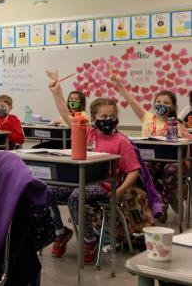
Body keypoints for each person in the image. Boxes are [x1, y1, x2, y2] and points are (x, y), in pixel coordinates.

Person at [47, 69, 141, 264]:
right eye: (103, 116)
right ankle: (60, 232)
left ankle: (90, 241)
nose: (107, 119)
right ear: (93, 118)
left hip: (103, 185)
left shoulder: (122, 141)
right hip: (79, 181)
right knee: (46, 191)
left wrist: (120, 190)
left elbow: (134, 170)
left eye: (112, 116)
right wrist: (57, 92)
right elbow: (66, 113)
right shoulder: (87, 132)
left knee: (76, 196)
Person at [110, 73, 190, 222]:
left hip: (170, 163)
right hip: (150, 161)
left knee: (171, 169)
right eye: (158, 101)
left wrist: (183, 133)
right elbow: (131, 100)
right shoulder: (146, 117)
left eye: (166, 103)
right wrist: (119, 85)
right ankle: (160, 199)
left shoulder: (176, 124)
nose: (161, 104)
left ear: (172, 107)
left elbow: (185, 145)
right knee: (144, 168)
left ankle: (165, 201)